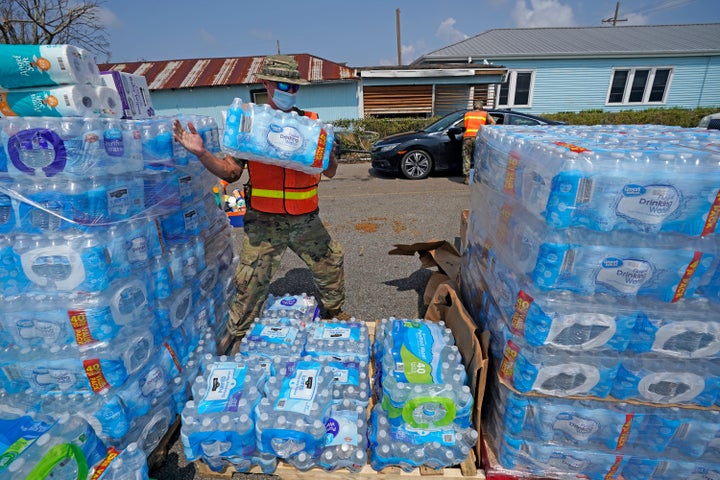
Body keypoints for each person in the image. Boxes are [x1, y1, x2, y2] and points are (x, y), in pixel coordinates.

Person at [172, 54, 349, 340]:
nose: (289, 92)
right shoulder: (250, 125)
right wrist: (202, 153)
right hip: (264, 220)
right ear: (266, 83)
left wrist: (328, 155)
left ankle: (334, 311)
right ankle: (238, 333)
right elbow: (230, 173)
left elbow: (329, 172)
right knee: (250, 279)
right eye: (282, 84)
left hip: (306, 218)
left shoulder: (313, 125)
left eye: (294, 87)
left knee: (331, 262)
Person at [462, 100, 496, 184]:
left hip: (468, 138)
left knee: (467, 157)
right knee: (479, 157)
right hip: (479, 138)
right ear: (481, 107)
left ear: (473, 107)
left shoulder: (467, 114)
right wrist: (486, 130)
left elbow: (465, 126)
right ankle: (479, 178)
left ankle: (467, 178)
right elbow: (493, 122)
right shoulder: (484, 114)